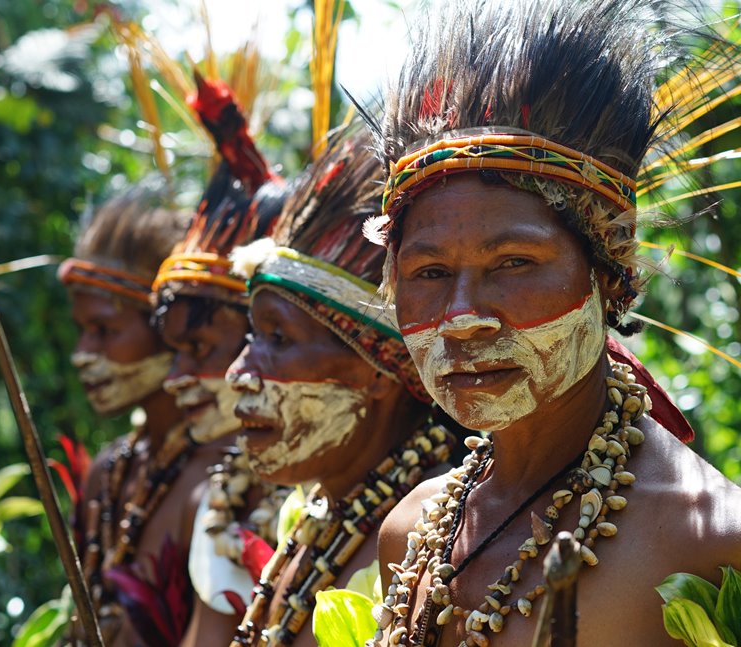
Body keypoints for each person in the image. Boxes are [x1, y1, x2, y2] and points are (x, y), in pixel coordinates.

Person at [363, 2, 741, 645]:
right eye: (428, 273)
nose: (462, 319)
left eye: (513, 263)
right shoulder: (410, 534)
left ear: (608, 269)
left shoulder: (722, 544)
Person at [215, 126, 458, 647]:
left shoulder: (437, 541)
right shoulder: (308, 516)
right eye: (253, 336)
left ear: (376, 367)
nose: (239, 372)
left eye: (278, 339)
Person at [152, 75, 294, 643]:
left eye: (201, 350)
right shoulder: (222, 492)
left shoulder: (362, 500)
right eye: (174, 354)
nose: (175, 379)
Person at [59, 181, 224, 646]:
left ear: (166, 330)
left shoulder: (224, 480)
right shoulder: (109, 471)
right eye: (81, 331)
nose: (82, 354)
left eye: (104, 330)